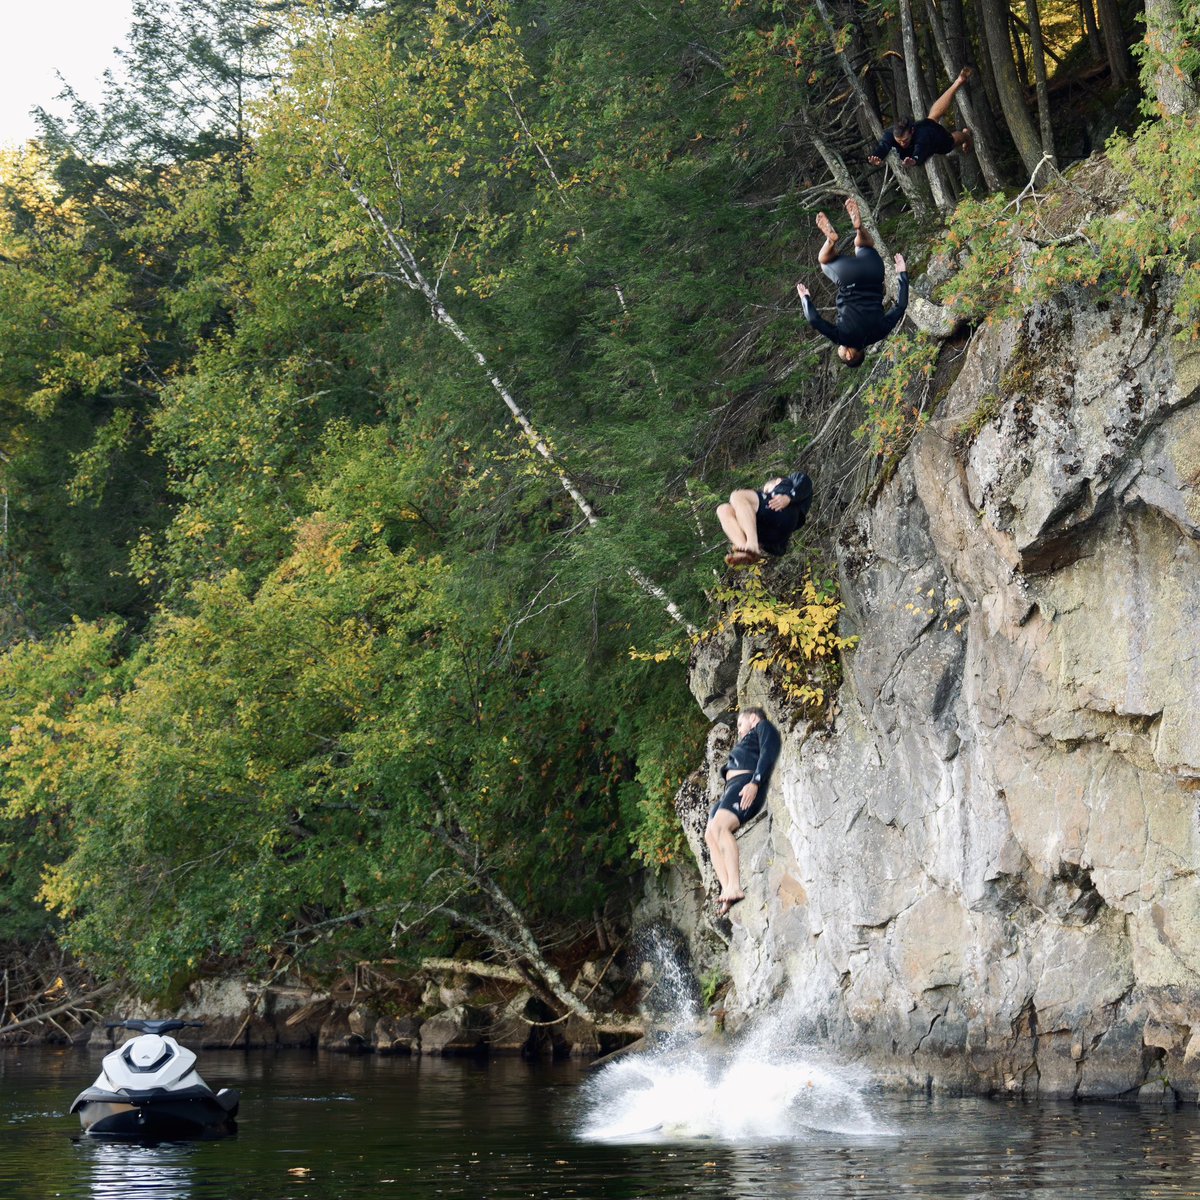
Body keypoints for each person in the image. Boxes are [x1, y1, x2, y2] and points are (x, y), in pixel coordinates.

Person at [795, 197, 907, 368]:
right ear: (848, 355)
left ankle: (859, 228)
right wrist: (805, 299)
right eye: (840, 351)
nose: (839, 348)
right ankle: (831, 241)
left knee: (865, 247)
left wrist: (902, 274)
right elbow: (814, 320)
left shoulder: (879, 333)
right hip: (849, 278)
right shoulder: (843, 338)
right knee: (824, 261)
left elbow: (901, 307)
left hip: (874, 272)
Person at [705, 707, 780, 916]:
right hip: (730, 790)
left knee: (720, 829)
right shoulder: (746, 740)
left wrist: (755, 782)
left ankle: (734, 886)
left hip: (744, 785)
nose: (738, 731)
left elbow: (770, 750)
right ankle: (727, 889)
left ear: (753, 718)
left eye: (740, 724)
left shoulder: (761, 727)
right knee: (710, 835)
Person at [868, 67, 974, 169]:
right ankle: (958, 82)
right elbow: (884, 146)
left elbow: (920, 150)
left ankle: (966, 135)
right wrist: (877, 156)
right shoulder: (891, 134)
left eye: (905, 140)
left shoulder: (922, 136)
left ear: (912, 131)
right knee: (932, 117)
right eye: (899, 141)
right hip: (925, 125)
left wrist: (914, 160)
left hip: (934, 137)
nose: (902, 144)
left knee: (951, 141)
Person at [717, 471, 813, 567]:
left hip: (783, 512)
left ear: (777, 481)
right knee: (723, 509)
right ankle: (743, 548)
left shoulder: (788, 482)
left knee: (737, 496)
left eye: (766, 490)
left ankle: (751, 543)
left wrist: (788, 496)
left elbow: (805, 481)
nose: (765, 493)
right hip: (774, 535)